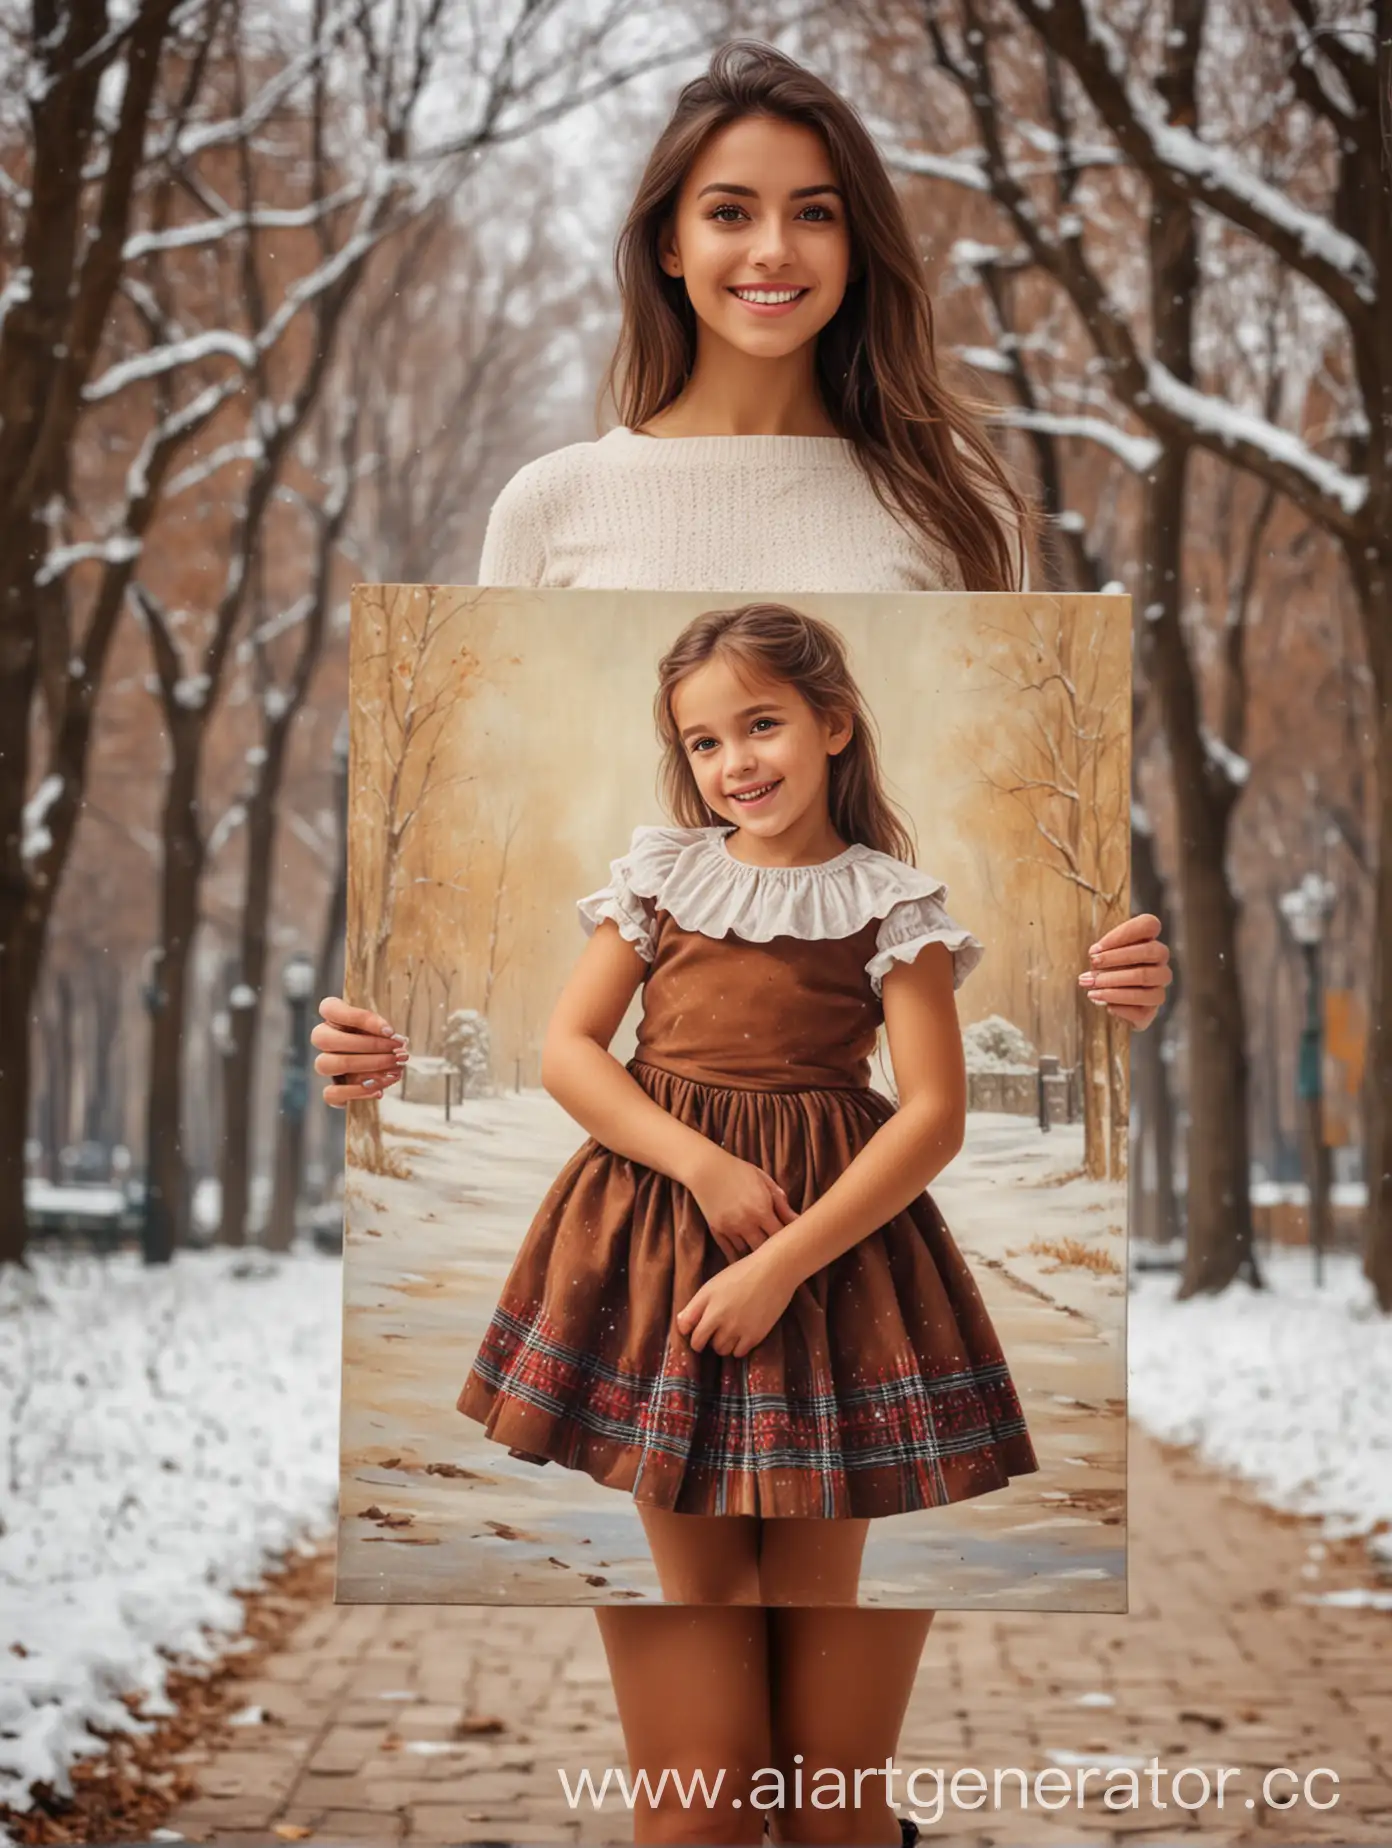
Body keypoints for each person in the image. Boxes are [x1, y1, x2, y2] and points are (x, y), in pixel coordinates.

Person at [312, 39, 1172, 1847]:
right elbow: (542, 1007)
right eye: (727, 210)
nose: (769, 248)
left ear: (859, 244)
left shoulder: (946, 508)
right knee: (695, 1813)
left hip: (850, 1259)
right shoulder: (555, 504)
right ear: (666, 244)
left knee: (840, 1808)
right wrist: (367, 1031)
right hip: (656, 1253)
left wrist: (1124, 971)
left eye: (812, 210)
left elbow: (1037, 956)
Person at [457, 600, 1040, 1580]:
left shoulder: (893, 905)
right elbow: (570, 1050)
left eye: (762, 724)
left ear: (834, 725)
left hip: (829, 1243)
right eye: (704, 741)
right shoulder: (660, 875)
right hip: (660, 1228)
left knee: (814, 1588)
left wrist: (779, 1269)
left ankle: (811, 1741)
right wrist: (705, 1166)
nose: (736, 761)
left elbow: (935, 1116)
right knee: (704, 1586)